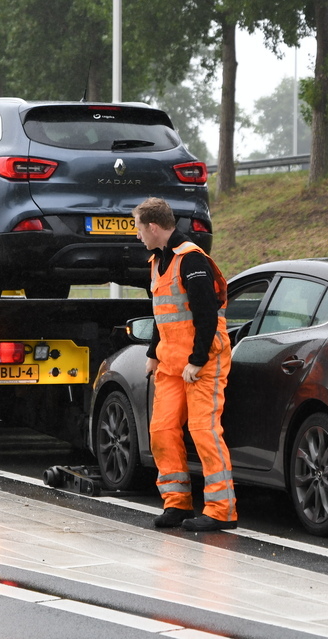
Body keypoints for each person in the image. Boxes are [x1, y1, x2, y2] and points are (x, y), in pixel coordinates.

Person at [132, 197, 237, 532]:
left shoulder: (191, 260)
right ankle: (176, 503)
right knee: (161, 431)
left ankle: (221, 509)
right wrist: (152, 353)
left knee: (204, 431)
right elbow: (163, 315)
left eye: (137, 228)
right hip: (171, 361)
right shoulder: (157, 260)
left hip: (201, 360)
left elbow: (206, 315)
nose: (137, 236)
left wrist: (196, 360)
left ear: (153, 227)